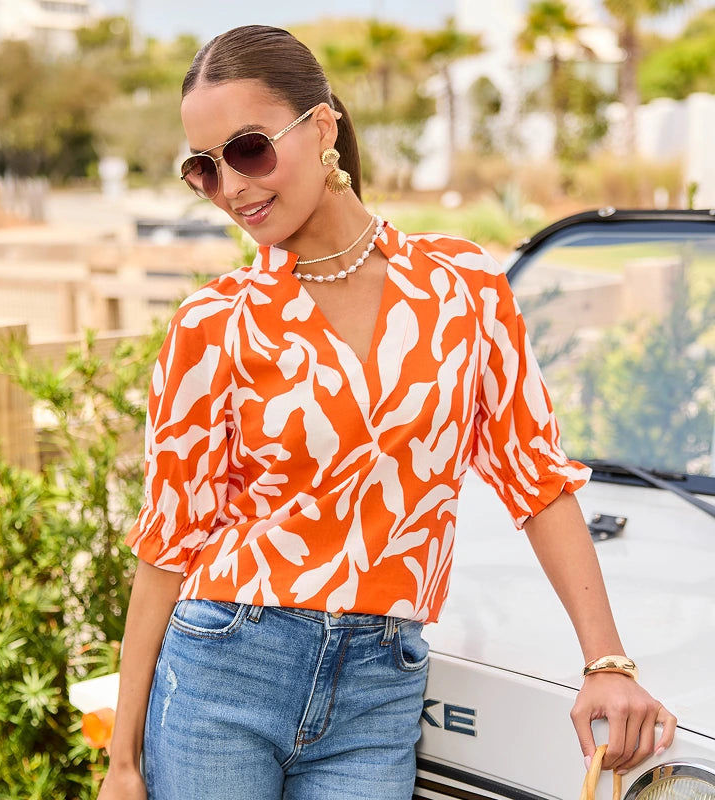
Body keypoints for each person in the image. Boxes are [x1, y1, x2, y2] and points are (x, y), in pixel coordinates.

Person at [97, 24, 676, 800]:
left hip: (379, 690)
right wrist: (123, 762)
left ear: (322, 128)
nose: (230, 187)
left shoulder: (463, 288)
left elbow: (536, 479)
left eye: (248, 150)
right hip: (223, 670)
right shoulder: (215, 321)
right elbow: (169, 541)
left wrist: (606, 662)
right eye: (203, 168)